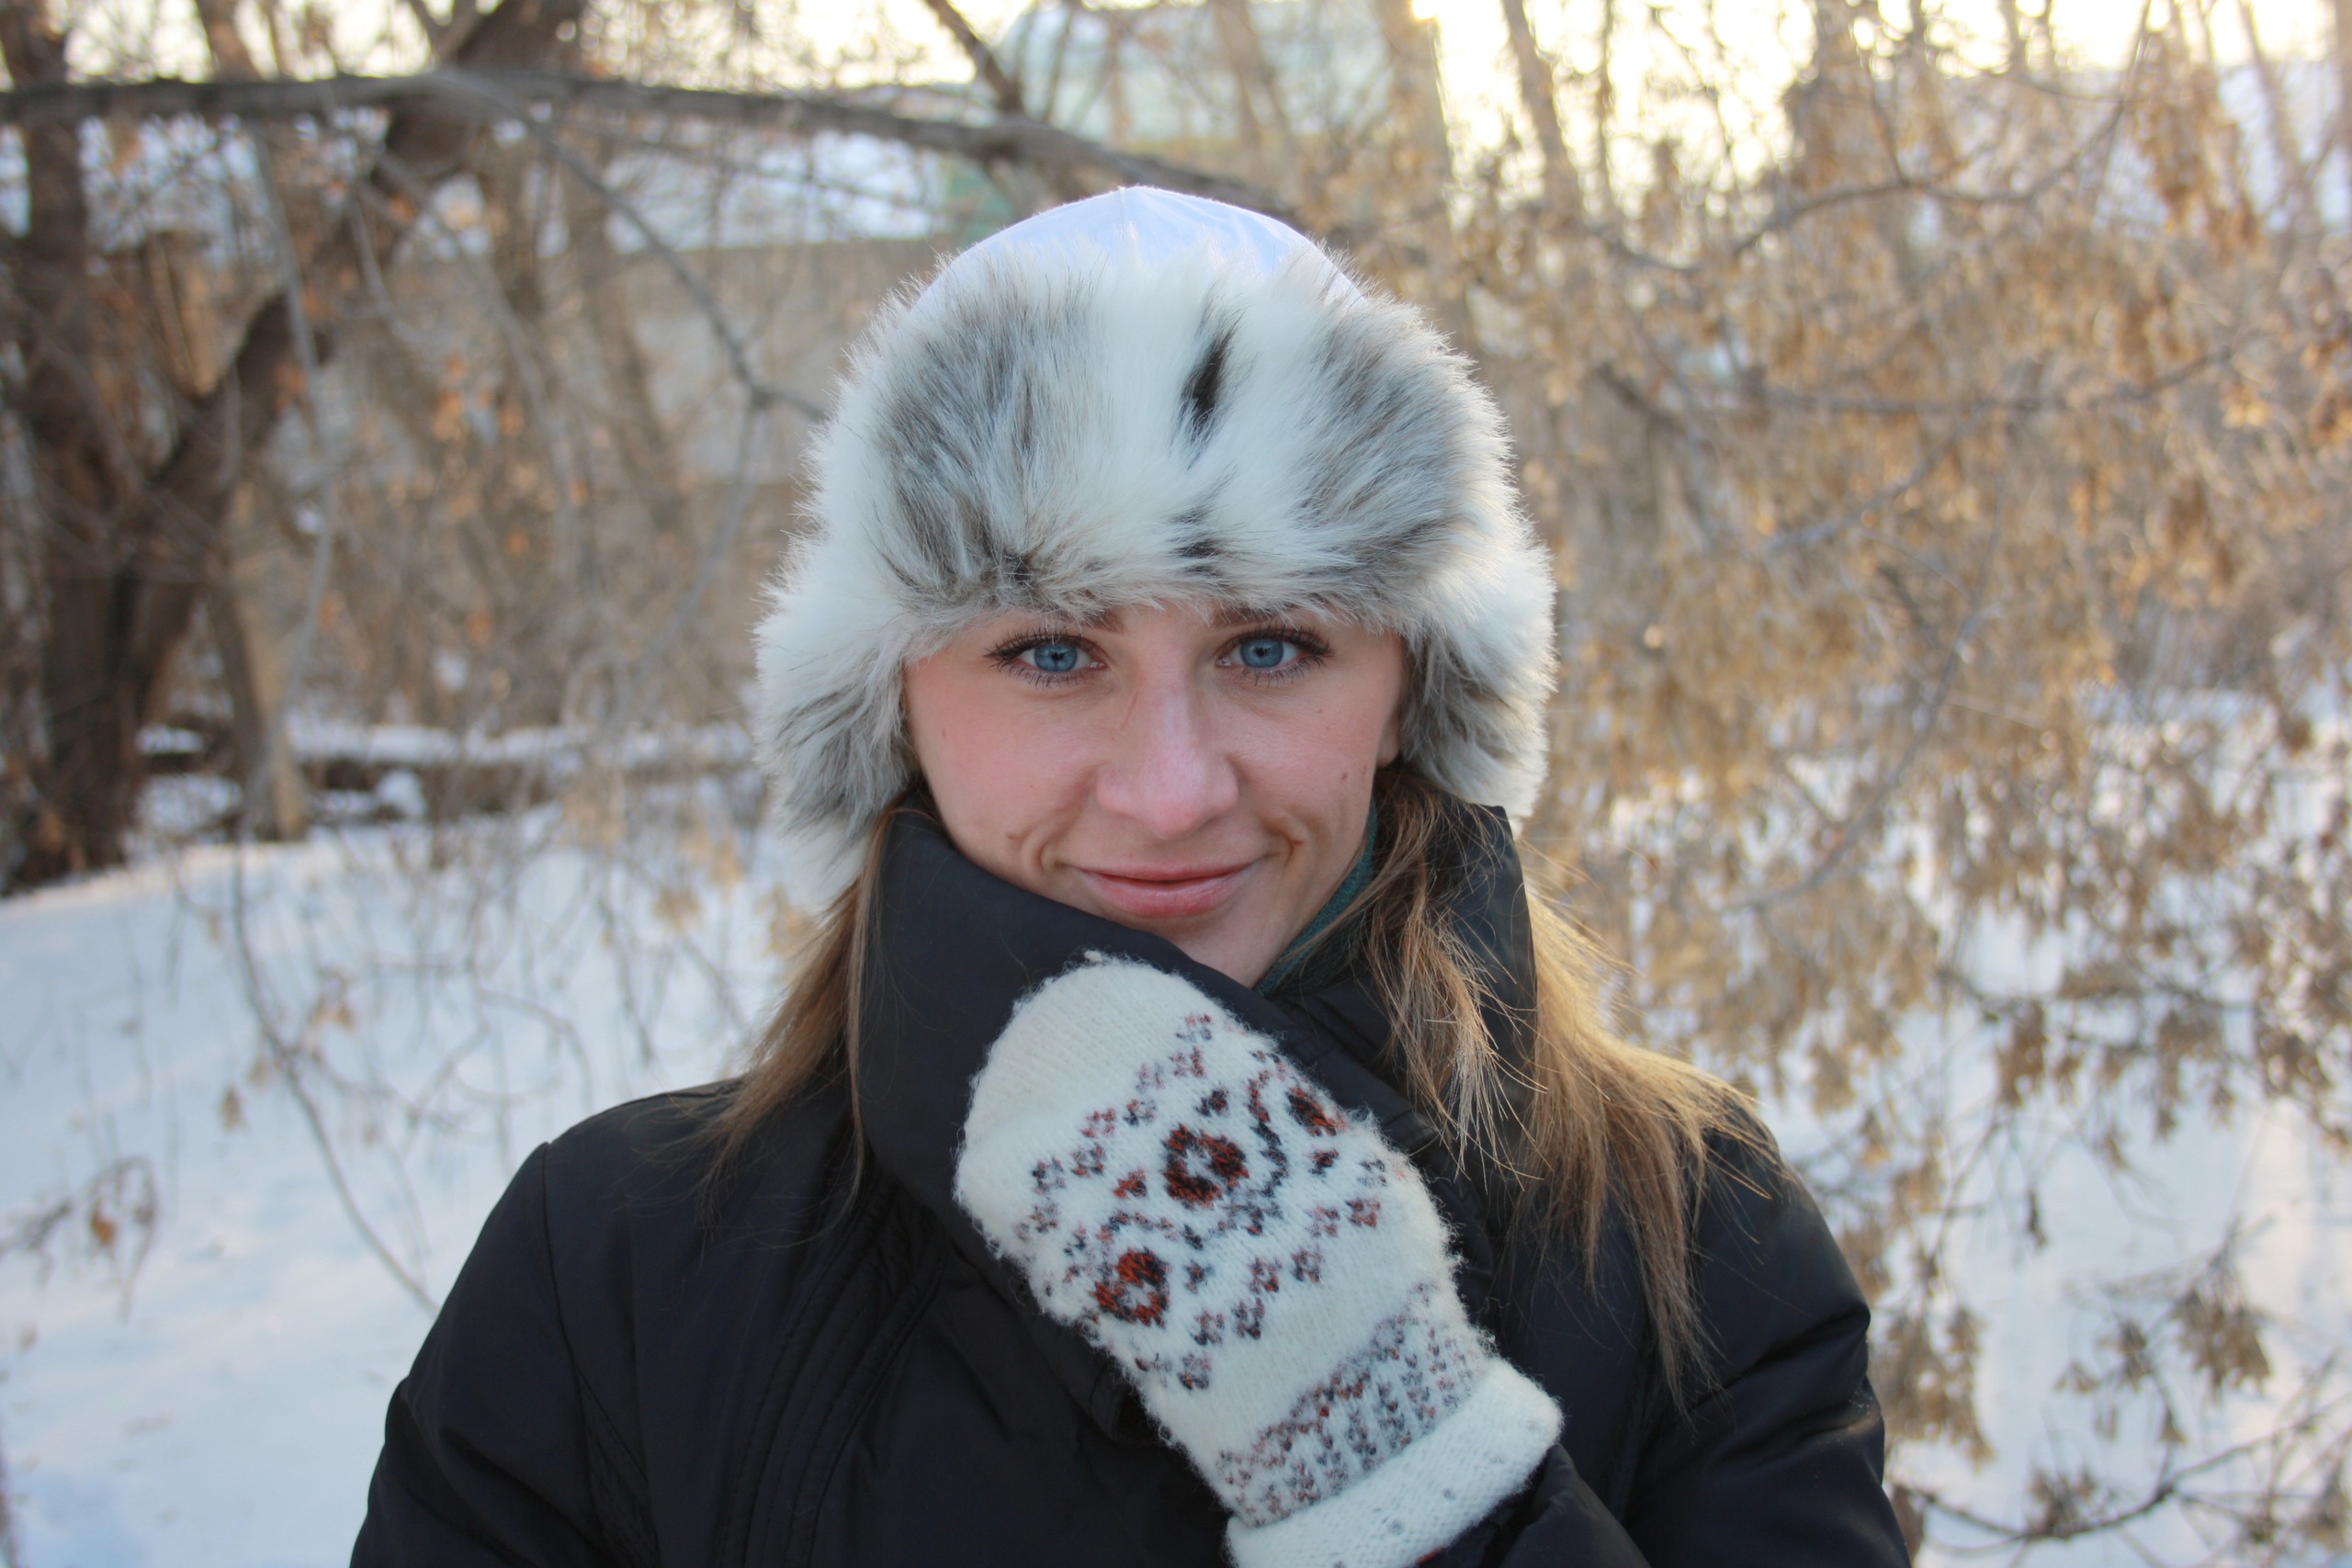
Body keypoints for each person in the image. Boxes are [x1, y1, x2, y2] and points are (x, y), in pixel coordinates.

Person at [353, 187, 1910, 1568]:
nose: (1172, 793)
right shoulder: (621, 1273)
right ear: (896, 709)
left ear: (1408, 694)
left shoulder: (1690, 1240)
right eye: (1052, 653)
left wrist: (1414, 1475)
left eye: (1271, 646)